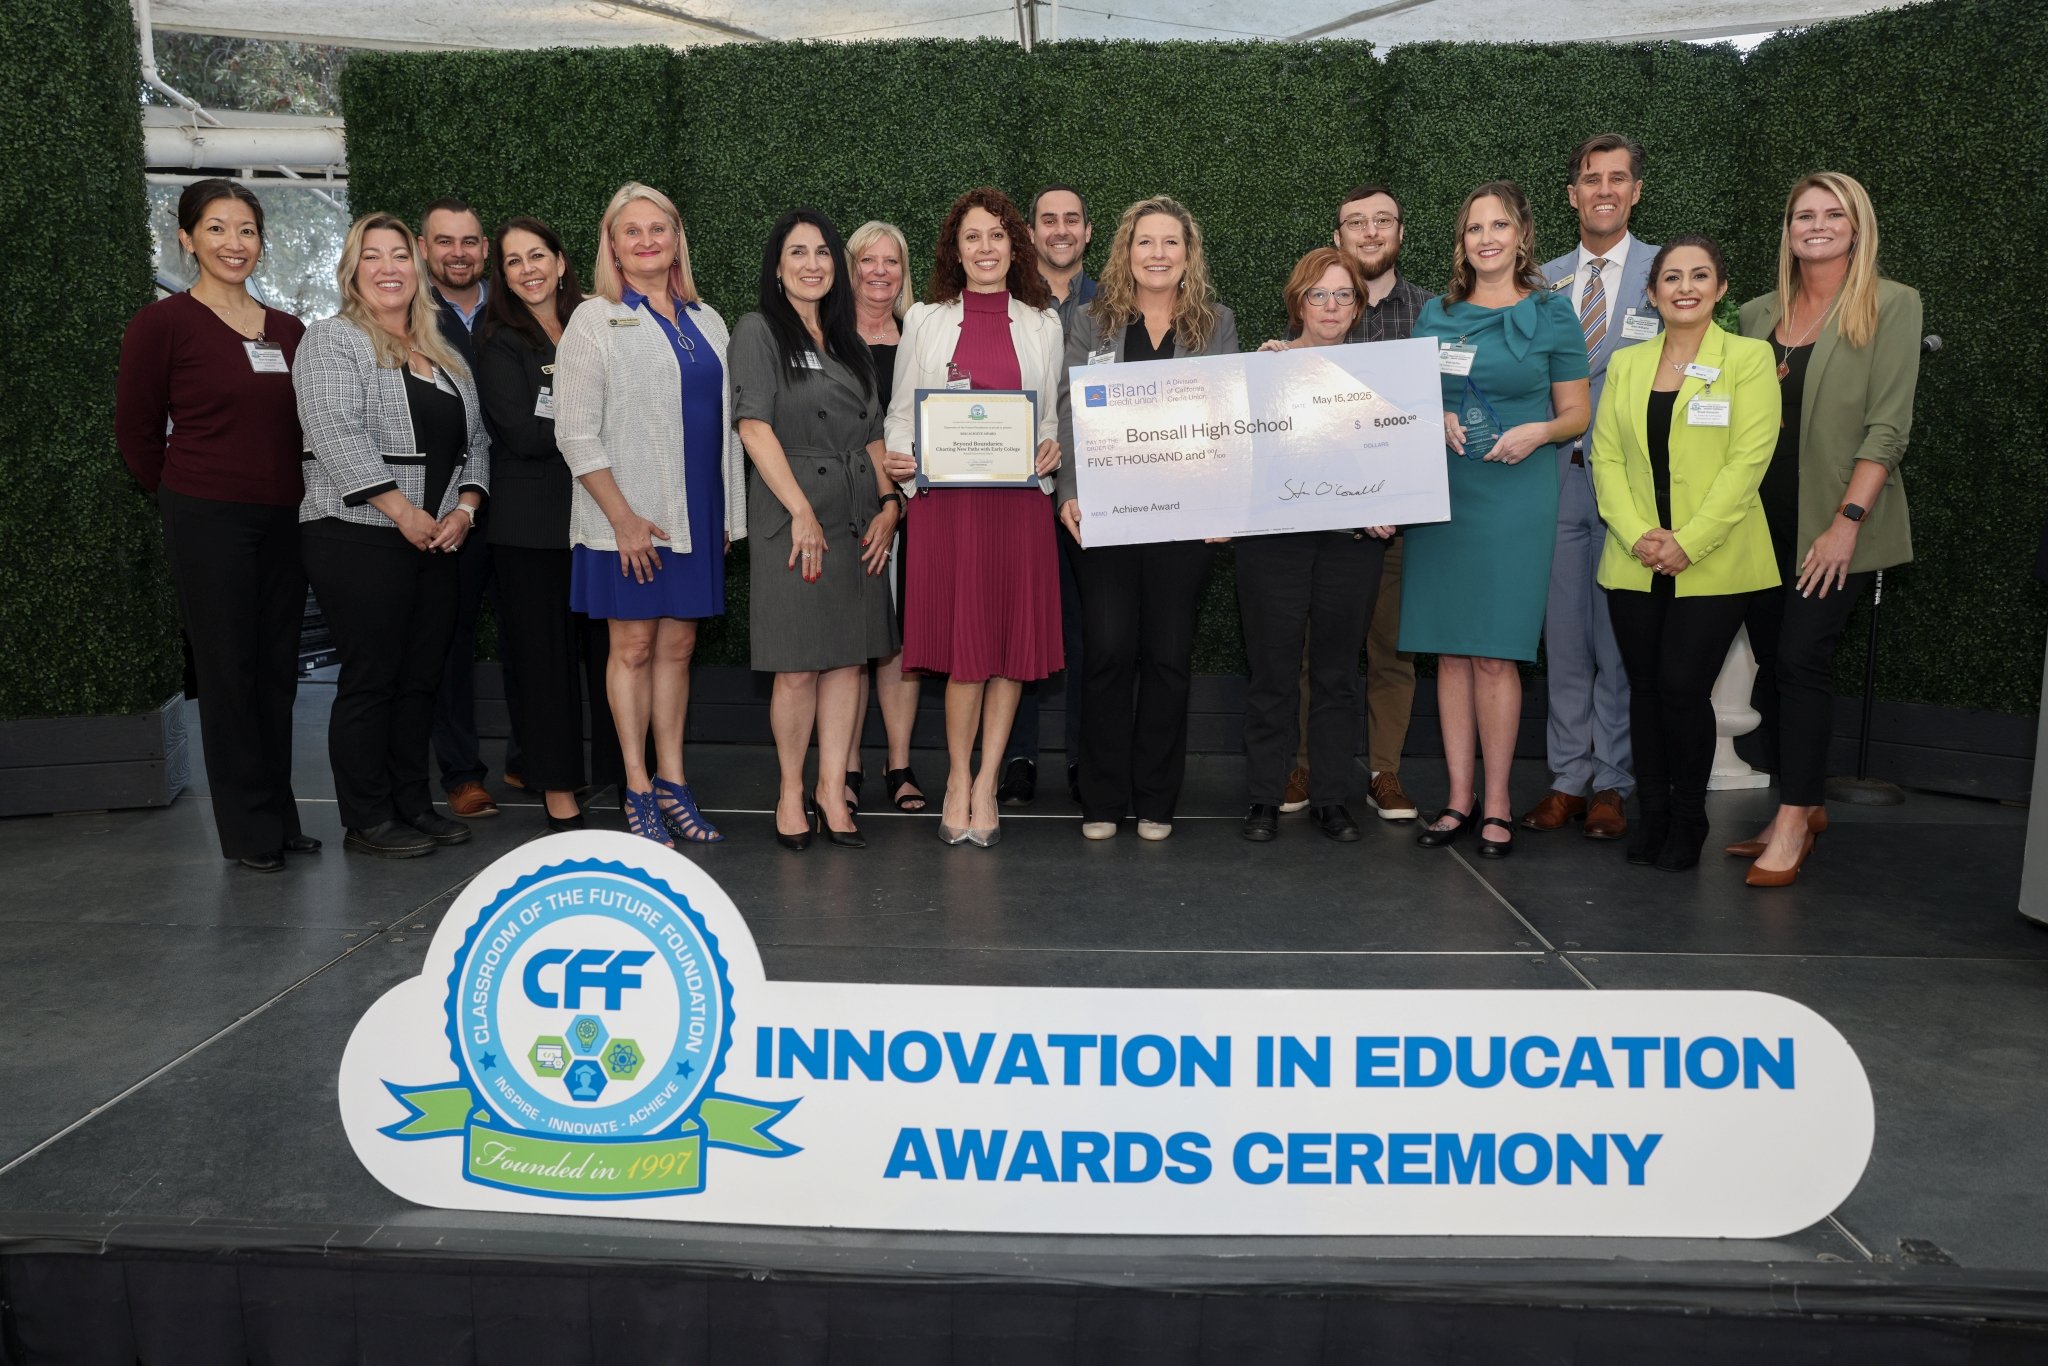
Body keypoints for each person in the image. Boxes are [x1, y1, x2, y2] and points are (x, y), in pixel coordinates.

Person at [115, 179, 313, 873]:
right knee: (229, 670)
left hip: (286, 516)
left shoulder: (289, 330)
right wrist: (182, 494)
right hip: (207, 516)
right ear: (187, 238)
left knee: (276, 669)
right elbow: (137, 432)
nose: (235, 243)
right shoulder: (161, 325)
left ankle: (280, 817)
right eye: (218, 228)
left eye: (247, 230)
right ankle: (249, 832)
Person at [1733, 172, 1921, 887]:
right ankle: (1802, 801)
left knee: (1802, 660)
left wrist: (1847, 524)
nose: (1816, 225)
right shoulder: (1756, 315)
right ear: (1788, 231)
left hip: (1833, 524)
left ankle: (1792, 821)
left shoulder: (1891, 305)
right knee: (1774, 668)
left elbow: (1888, 427)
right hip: (1758, 525)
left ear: (1856, 226)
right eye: (1803, 215)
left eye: (1832, 214)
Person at [294, 211, 490, 859]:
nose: (388, 268)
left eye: (400, 255)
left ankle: (413, 804)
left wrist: (465, 509)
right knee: (372, 679)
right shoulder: (332, 340)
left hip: (437, 539)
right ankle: (368, 819)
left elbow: (477, 443)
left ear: (418, 268)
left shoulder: (444, 353)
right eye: (372, 256)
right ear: (352, 269)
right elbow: (335, 432)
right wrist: (403, 512)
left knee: (419, 679)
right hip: (357, 535)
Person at [556, 182, 747, 847]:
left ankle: (674, 781)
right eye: (630, 231)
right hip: (626, 520)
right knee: (632, 648)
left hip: (695, 514)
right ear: (611, 245)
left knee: (679, 648)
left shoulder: (709, 320)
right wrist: (623, 519)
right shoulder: (593, 320)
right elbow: (574, 433)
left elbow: (727, 428)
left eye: (657, 229)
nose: (646, 241)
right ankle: (636, 787)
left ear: (676, 238)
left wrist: (726, 515)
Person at [1406, 181, 1591, 858]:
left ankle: (1500, 802)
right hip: (1446, 492)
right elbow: (1408, 396)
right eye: (1474, 228)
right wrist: (1434, 414)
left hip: (1517, 494)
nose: (1486, 238)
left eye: (1499, 226)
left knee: (1495, 652)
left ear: (1522, 235)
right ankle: (1459, 799)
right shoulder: (1435, 314)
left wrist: (1539, 432)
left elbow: (1578, 412)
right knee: (1451, 650)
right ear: (1462, 242)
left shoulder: (1553, 314)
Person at [879, 186, 1064, 847]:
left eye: (997, 236)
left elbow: (1049, 418)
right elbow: (900, 413)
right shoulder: (925, 319)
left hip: (1019, 507)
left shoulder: (1043, 325)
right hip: (948, 509)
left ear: (1015, 247)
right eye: (972, 238)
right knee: (966, 652)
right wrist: (902, 461)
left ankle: (988, 784)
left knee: (1009, 651)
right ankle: (957, 778)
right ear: (955, 252)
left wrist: (1051, 447)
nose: (986, 248)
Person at [1589, 235, 1781, 871]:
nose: (1685, 287)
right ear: (1652, 293)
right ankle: (1654, 816)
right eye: (1671, 277)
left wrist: (1688, 542)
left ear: (1720, 289)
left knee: (1681, 687)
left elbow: (1749, 461)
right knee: (1645, 690)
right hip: (1635, 556)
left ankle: (1690, 820)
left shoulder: (1748, 358)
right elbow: (1605, 457)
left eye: (1700, 276)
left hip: (1718, 560)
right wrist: (1637, 533)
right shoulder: (1627, 364)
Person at [1052, 195, 1239, 842]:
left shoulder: (1216, 323)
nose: (1158, 254)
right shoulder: (1090, 322)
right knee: (1106, 651)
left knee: (1167, 656)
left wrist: (1224, 502)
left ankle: (1157, 799)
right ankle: (1103, 798)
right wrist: (1068, 491)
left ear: (1188, 255)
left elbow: (1228, 417)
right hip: (1104, 515)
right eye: (1145, 242)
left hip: (1184, 520)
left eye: (1170, 242)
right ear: (1125, 252)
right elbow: (1068, 411)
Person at [731, 209, 901, 851]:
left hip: (858, 517)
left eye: (823, 252)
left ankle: (832, 791)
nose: (812, 264)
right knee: (799, 665)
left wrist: (890, 504)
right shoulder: (758, 330)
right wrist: (800, 510)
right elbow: (753, 426)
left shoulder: (847, 339)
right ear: (777, 267)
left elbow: (875, 434)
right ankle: (789, 792)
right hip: (795, 515)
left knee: (848, 662)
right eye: (798, 253)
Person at [1278, 184, 1437, 823]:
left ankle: (1384, 771)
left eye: (1383, 220)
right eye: (1356, 222)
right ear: (1338, 234)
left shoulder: (1430, 312)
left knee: (1392, 649)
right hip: (1318, 523)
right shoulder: (1313, 309)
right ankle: (1307, 765)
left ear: (1400, 230)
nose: (1370, 232)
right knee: (1313, 649)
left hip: (1393, 520)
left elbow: (1428, 408)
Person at [1523, 134, 1660, 842]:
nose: (1603, 190)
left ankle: (1613, 781)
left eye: (1617, 178)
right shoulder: (1539, 281)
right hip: (1554, 482)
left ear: (1636, 191)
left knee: (1618, 641)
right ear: (1572, 195)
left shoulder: (1668, 273)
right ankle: (1568, 778)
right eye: (1590, 179)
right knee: (1566, 639)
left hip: (1631, 489)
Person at [1239, 248, 1393, 842]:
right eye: (1318, 295)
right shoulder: (1263, 369)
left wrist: (1391, 504)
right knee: (1272, 674)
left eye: (1343, 295)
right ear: (1298, 303)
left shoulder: (1381, 375)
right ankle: (1263, 797)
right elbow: (1235, 453)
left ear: (1357, 307)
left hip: (1350, 547)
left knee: (1336, 675)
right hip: (1272, 546)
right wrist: (1255, 381)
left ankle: (1331, 799)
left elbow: (1395, 459)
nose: (1330, 306)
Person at [473, 215, 596, 833]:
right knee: (544, 665)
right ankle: (557, 787)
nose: (528, 269)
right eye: (514, 261)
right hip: (530, 529)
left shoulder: (593, 320)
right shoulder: (497, 338)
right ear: (503, 274)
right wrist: (593, 424)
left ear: (561, 260)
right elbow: (521, 434)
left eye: (538, 255)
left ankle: (628, 776)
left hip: (600, 517)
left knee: (614, 656)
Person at [998, 183, 1099, 808]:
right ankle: (1018, 757)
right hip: (1019, 490)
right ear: (1031, 234)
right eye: (1048, 220)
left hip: (1093, 495)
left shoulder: (1117, 303)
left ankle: (1086, 758)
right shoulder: (1002, 303)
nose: (1060, 230)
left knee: (1092, 631)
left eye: (1072, 220)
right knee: (1021, 623)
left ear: (1088, 231)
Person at [419, 197, 517, 820]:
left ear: (485, 250)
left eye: (469, 242)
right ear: (424, 249)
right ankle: (460, 773)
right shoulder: (406, 310)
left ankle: (531, 756)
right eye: (444, 241)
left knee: (532, 635)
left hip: (529, 496)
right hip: (450, 501)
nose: (458, 253)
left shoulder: (518, 305)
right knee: (448, 639)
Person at [843, 219, 926, 814]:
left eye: (891, 261)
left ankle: (899, 766)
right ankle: (845, 767)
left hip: (916, 507)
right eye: (867, 261)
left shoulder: (922, 339)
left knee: (900, 641)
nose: (880, 272)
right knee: (848, 641)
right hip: (844, 506)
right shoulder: (824, 338)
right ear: (850, 270)